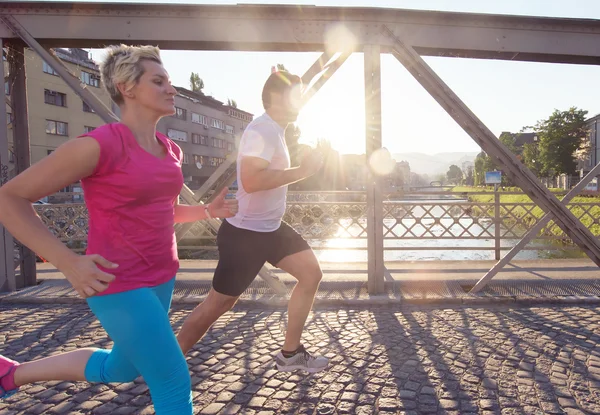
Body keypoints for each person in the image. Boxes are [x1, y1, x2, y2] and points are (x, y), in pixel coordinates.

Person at [0, 44, 238, 414]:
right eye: (159, 81)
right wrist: (68, 262)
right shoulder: (100, 145)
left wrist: (207, 209)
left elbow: (162, 211)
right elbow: (9, 199)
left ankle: (9, 375)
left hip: (160, 276)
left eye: (169, 82)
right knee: (173, 380)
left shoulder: (170, 150)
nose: (171, 89)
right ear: (127, 87)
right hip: (116, 281)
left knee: (121, 367)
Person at [177, 70, 329, 373]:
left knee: (311, 274)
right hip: (245, 235)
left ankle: (290, 354)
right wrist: (304, 170)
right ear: (276, 98)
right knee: (218, 304)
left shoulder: (275, 131)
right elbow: (251, 180)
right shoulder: (262, 130)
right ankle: (166, 361)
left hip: (270, 229)